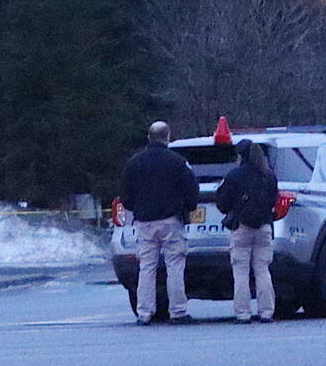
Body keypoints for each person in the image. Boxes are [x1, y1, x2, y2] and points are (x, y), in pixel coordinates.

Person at [119, 121, 200, 324]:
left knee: (146, 267)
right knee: (174, 266)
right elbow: (191, 191)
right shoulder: (177, 162)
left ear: (149, 137)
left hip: (145, 221)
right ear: (168, 136)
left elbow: (126, 197)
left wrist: (137, 208)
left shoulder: (134, 163)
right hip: (171, 220)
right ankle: (178, 311)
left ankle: (145, 312)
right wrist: (187, 208)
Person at [215, 140, 280, 323]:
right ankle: (266, 312)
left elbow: (222, 202)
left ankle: (243, 313)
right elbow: (274, 199)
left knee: (241, 272)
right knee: (262, 270)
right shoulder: (269, 175)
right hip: (264, 227)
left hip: (241, 227)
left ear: (240, 156)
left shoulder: (234, 175)